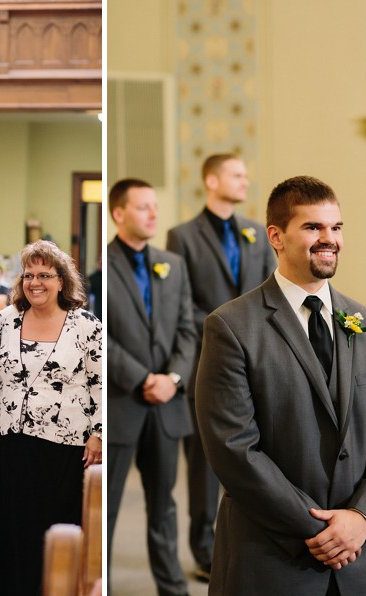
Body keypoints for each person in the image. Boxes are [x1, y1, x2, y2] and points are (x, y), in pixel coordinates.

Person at [196, 176, 366, 595]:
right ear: (275, 236)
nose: (329, 239)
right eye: (313, 228)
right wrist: (319, 530)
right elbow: (233, 448)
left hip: (361, 561)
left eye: (336, 227)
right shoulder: (232, 326)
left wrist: (361, 519)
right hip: (273, 559)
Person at [0, 240, 102, 596]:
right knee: (13, 521)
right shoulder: (7, 320)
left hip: (64, 444)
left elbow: (101, 383)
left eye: (44, 275)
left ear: (62, 280)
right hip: (12, 438)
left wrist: (99, 433)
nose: (35, 282)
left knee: (53, 526)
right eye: (29, 275)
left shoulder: (85, 325)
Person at [166, 152, 277, 582]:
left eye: (246, 174)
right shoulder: (183, 236)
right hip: (205, 359)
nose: (245, 181)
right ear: (211, 181)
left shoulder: (254, 232)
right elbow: (183, 302)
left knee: (257, 453)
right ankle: (204, 549)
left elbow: (268, 291)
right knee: (204, 461)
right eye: (236, 174)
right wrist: (228, 327)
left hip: (258, 359)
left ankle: (251, 541)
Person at [106, 179, 197, 596]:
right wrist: (142, 379)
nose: (153, 214)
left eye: (155, 206)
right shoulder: (101, 267)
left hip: (166, 407)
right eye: (143, 207)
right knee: (105, 507)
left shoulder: (172, 265)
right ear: (118, 213)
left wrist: (173, 379)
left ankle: (172, 589)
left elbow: (187, 331)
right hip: (121, 403)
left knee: (164, 506)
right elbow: (100, 336)